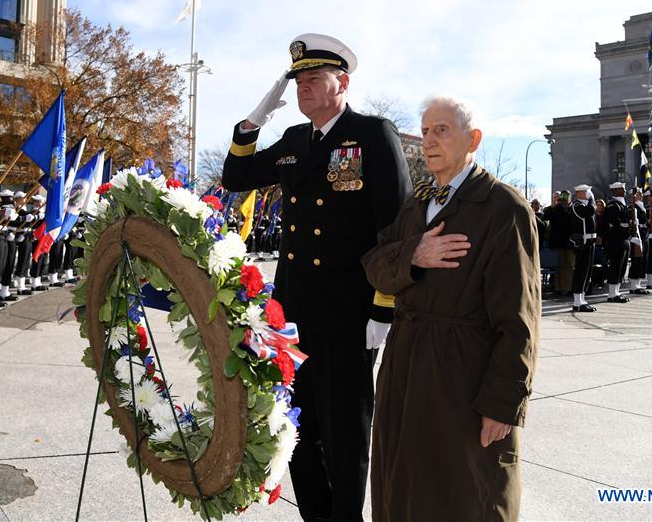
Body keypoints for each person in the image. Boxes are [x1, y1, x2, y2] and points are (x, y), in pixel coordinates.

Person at [221, 33, 411, 521]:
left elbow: (395, 229)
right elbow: (236, 179)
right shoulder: (292, 141)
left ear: (341, 83)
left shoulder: (372, 134)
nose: (303, 88)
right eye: (298, 81)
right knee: (296, 428)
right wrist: (251, 124)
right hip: (295, 313)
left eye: (313, 79)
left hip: (350, 314)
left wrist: (384, 306)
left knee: (345, 433)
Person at [363, 95, 538, 521]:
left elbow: (520, 320)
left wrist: (502, 402)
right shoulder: (417, 204)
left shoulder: (502, 207)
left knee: (463, 495)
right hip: (404, 370)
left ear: (473, 139)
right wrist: (414, 254)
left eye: (441, 130)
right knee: (401, 490)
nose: (428, 141)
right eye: (425, 131)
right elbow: (374, 268)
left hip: (462, 376)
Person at [570, 184, 597, 312]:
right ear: (580, 193)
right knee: (581, 271)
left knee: (587, 271)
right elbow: (588, 212)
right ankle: (577, 301)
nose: (589, 194)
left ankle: (582, 299)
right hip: (582, 242)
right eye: (587, 192)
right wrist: (592, 200)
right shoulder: (576, 205)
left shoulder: (585, 205)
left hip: (590, 241)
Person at [602, 182, 631, 303]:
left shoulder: (622, 204)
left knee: (621, 268)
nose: (624, 191)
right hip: (615, 240)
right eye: (622, 189)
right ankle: (612, 294)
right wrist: (627, 228)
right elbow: (615, 225)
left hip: (622, 240)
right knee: (615, 267)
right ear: (615, 191)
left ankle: (617, 292)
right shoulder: (613, 206)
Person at [543, 191, 573, 295]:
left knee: (569, 266)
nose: (564, 201)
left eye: (566, 198)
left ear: (570, 198)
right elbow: (545, 217)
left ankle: (568, 288)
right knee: (558, 265)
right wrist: (552, 206)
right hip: (558, 242)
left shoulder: (574, 208)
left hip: (570, 243)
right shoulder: (555, 208)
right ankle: (558, 288)